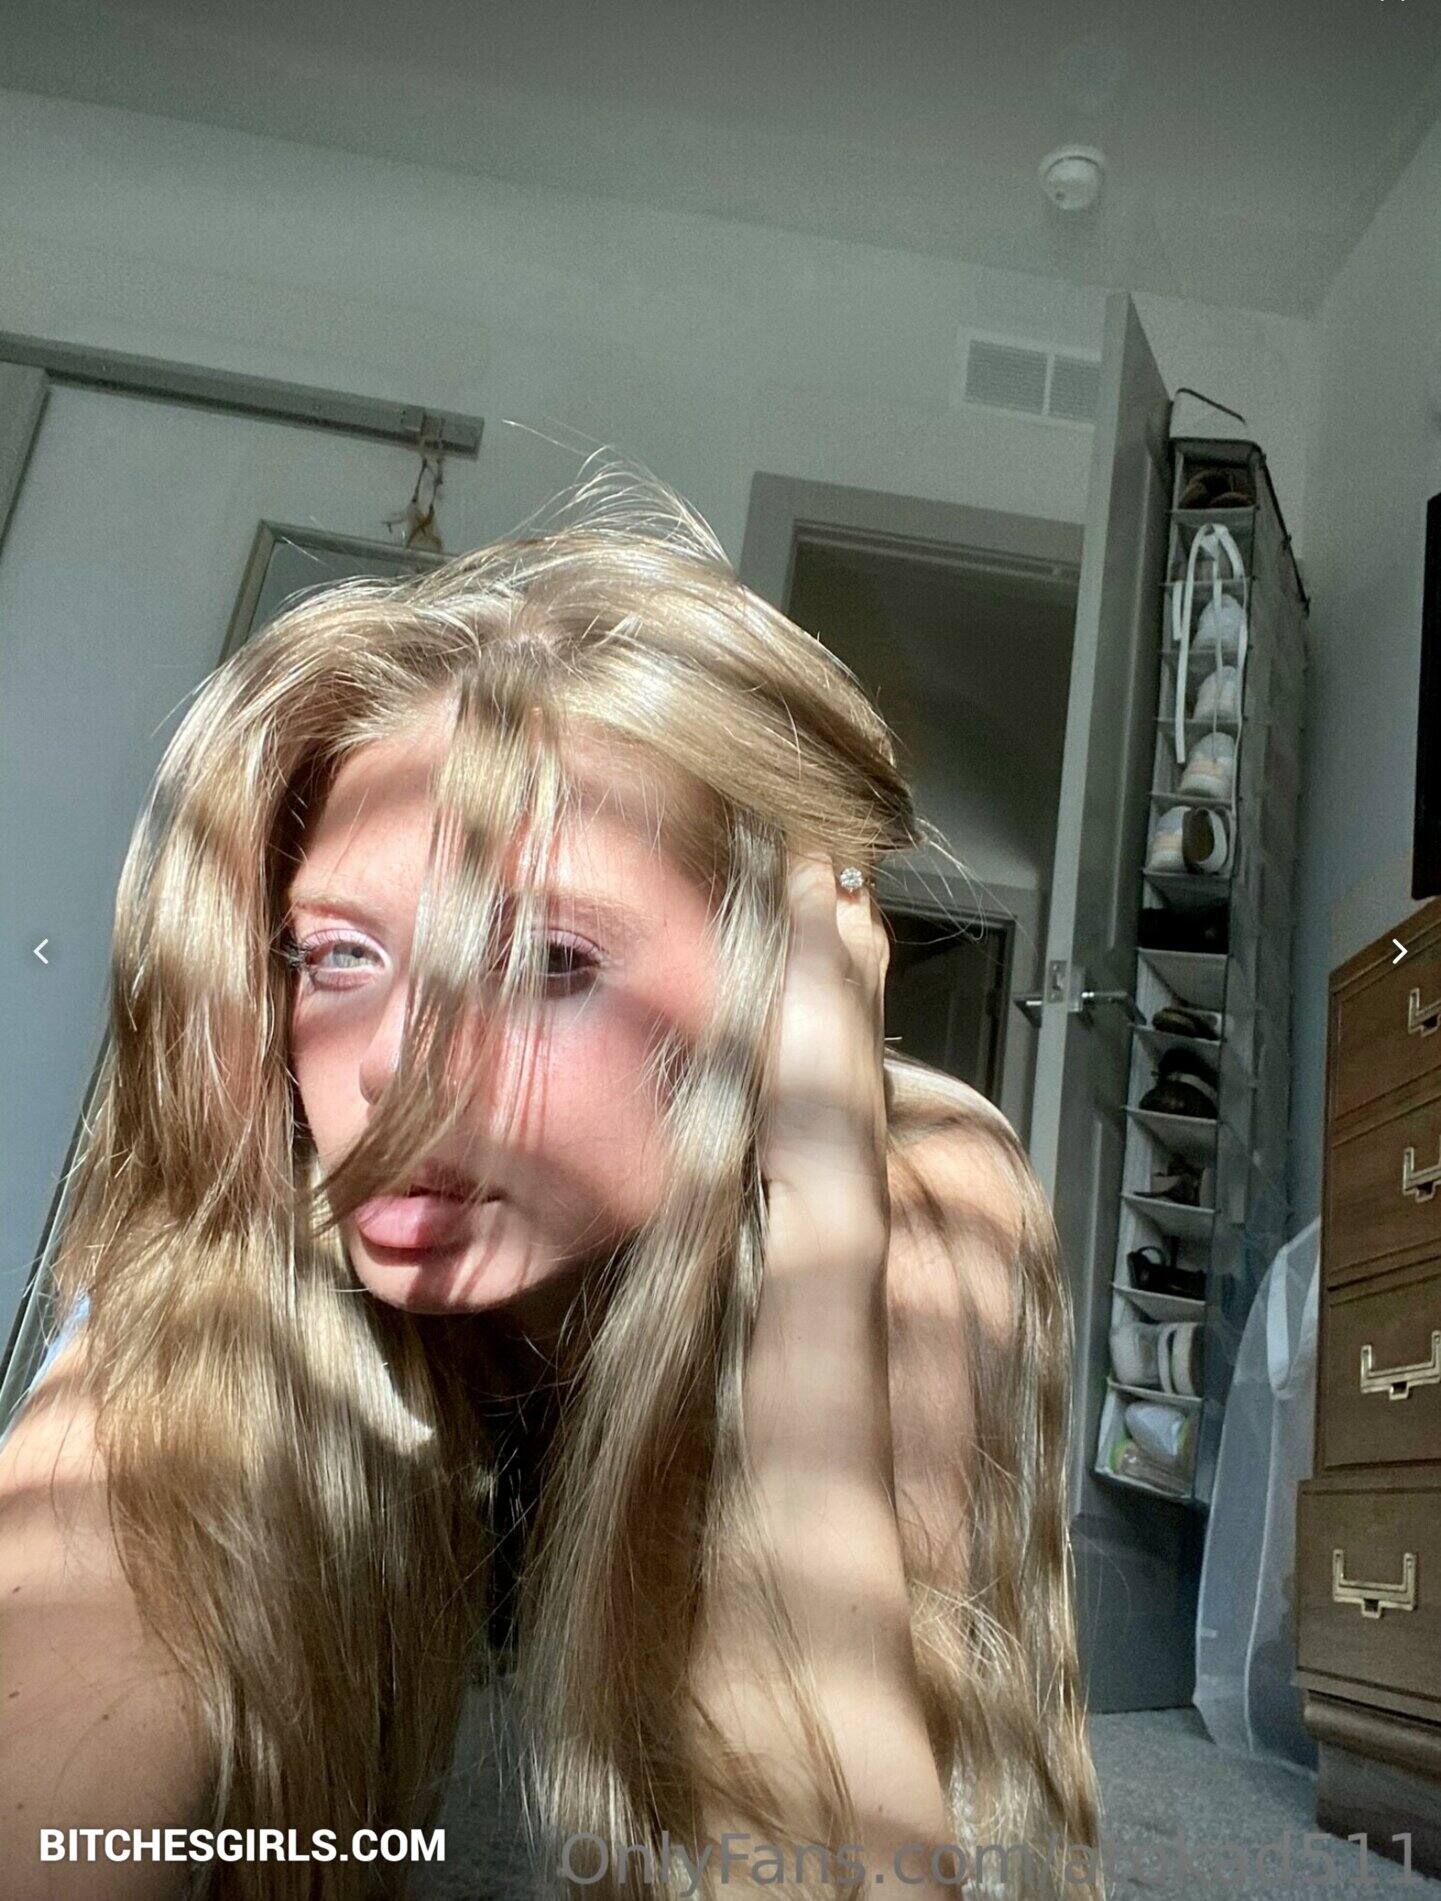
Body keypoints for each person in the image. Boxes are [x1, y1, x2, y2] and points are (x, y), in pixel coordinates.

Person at [0, 467, 1104, 1900]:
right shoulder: (234, 1267)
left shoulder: (910, 1191)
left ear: (779, 996)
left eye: (547, 960)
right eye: (338, 955)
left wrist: (819, 1219)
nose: (389, 1065)